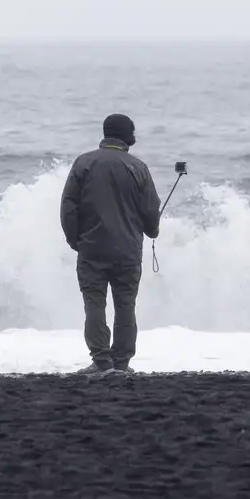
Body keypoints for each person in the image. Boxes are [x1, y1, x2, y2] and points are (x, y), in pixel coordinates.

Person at [60, 114, 162, 374]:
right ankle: (122, 363)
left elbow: (68, 206)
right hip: (128, 251)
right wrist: (153, 230)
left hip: (91, 248)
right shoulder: (138, 167)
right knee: (125, 304)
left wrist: (75, 240)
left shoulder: (84, 163)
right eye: (133, 132)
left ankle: (102, 362)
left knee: (94, 304)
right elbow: (151, 209)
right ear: (126, 135)